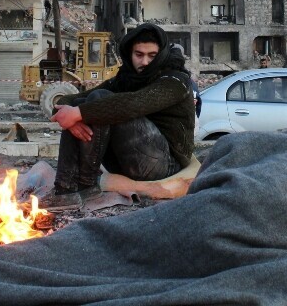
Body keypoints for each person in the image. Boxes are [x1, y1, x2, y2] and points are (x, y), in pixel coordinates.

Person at [42, 23, 196, 211]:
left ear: (161, 54)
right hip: (129, 159)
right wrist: (67, 115)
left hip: (166, 163)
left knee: (102, 102)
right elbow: (74, 98)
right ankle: (65, 189)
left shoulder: (176, 80)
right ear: (130, 55)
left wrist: (78, 114)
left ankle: (86, 185)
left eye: (151, 56)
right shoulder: (126, 78)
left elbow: (136, 103)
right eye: (139, 55)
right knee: (88, 102)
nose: (145, 62)